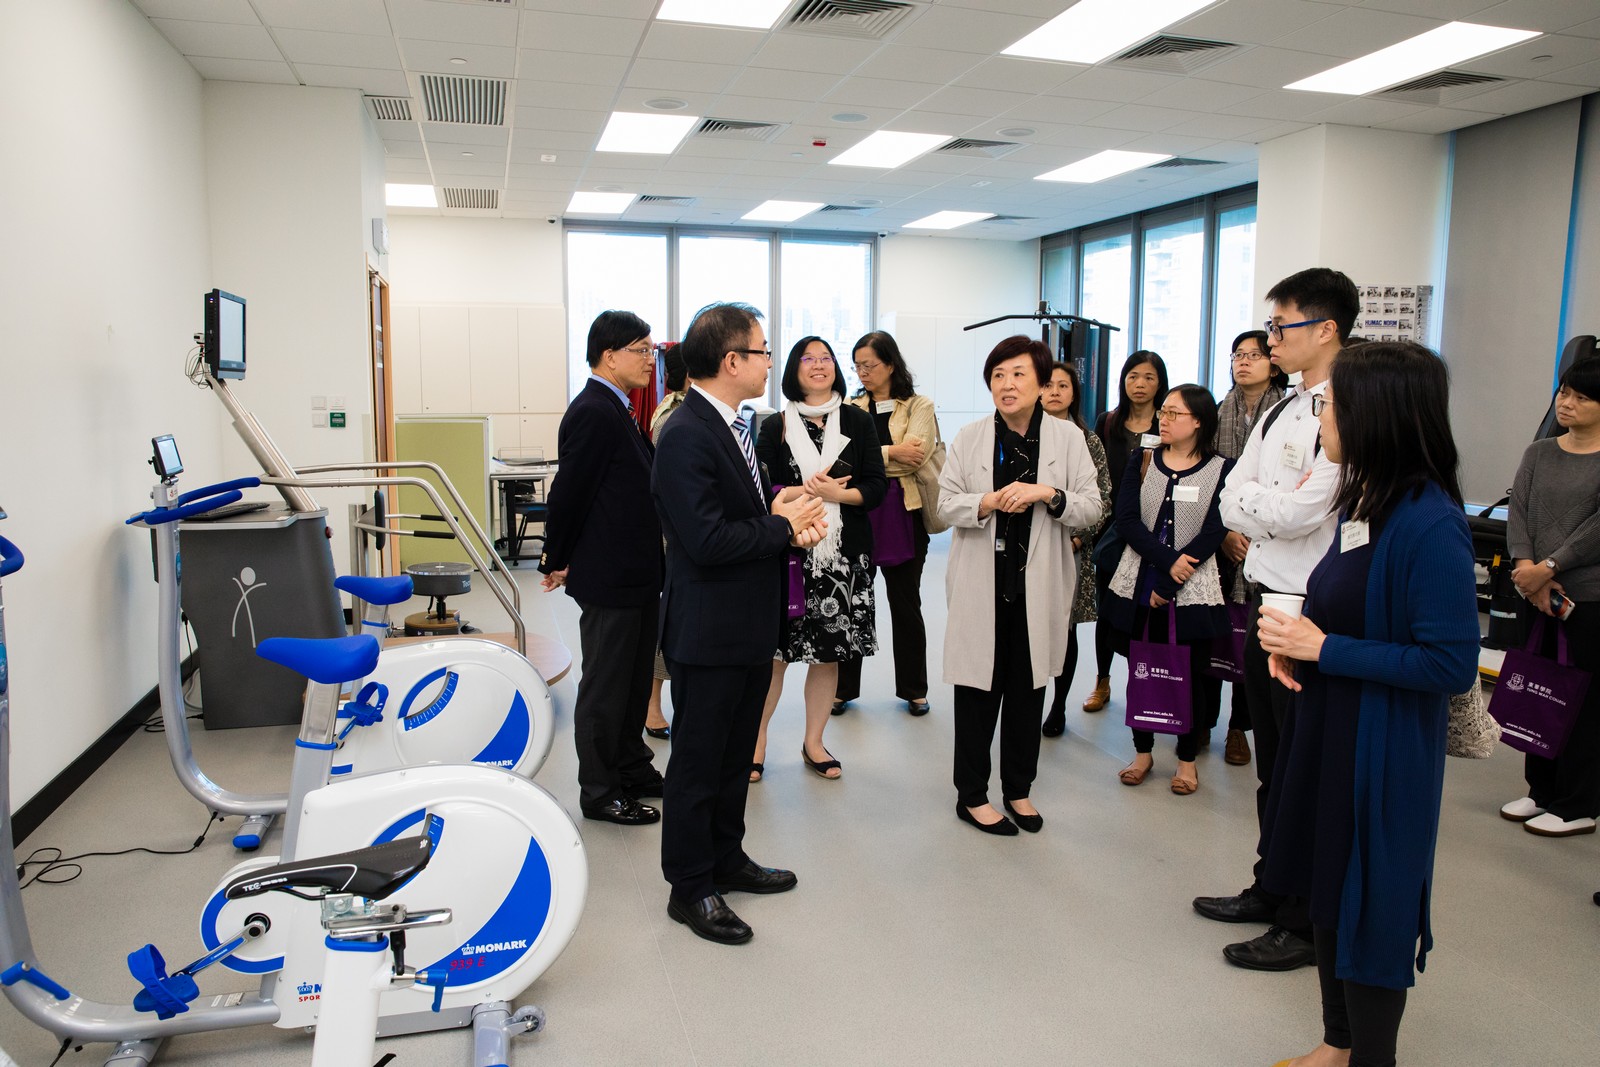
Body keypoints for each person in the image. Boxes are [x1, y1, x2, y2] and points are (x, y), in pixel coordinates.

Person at [1255, 341, 1479, 1067]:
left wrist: (1327, 650)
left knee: (1372, 908)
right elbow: (1348, 608)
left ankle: (1370, 1055)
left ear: (1375, 414)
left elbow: (1448, 662)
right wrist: (1295, 643)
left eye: (1333, 404)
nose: (1322, 416)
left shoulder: (1430, 520)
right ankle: (1336, 1042)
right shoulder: (1369, 499)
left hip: (1378, 749)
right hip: (1331, 727)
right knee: (1328, 889)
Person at [1194, 267, 1359, 973]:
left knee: (1307, 772)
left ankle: (1302, 920)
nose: (1268, 340)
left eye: (1280, 327)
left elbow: (1303, 510)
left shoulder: (1353, 407)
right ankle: (1273, 883)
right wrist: (1265, 507)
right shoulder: (1281, 406)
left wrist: (1264, 508)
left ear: (1324, 329)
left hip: (1312, 612)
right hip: (1264, 598)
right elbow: (1232, 495)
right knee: (1274, 764)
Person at [651, 302, 828, 945]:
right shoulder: (685, 433)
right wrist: (784, 528)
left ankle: (727, 856)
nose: (769, 362)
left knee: (732, 759)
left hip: (746, 624)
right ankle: (691, 886)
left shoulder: (735, 425)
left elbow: (735, 509)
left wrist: (777, 505)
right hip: (708, 630)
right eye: (762, 351)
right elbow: (704, 539)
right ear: (732, 361)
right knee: (699, 764)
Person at [939, 336, 1102, 835]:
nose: (1007, 385)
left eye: (1018, 375)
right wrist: (984, 502)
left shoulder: (1069, 440)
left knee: (1028, 692)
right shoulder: (969, 438)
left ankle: (1018, 789)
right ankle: (971, 795)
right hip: (982, 586)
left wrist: (1049, 494)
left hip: (1038, 588)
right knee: (977, 692)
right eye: (997, 376)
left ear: (1041, 383)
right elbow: (943, 507)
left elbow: (1093, 508)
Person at [538, 310, 666, 827]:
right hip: (611, 575)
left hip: (635, 571)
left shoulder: (620, 409)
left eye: (651, 350)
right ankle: (599, 789)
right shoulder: (593, 410)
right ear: (609, 356)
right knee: (607, 685)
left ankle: (631, 766)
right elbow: (570, 494)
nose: (649, 359)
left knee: (636, 681)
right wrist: (555, 555)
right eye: (641, 350)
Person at [752, 337, 886, 781]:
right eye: (808, 359)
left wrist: (836, 494)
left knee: (827, 654)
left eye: (826, 358)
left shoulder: (857, 421)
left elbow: (875, 486)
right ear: (793, 369)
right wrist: (804, 491)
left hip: (843, 559)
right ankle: (756, 741)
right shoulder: (774, 426)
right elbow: (762, 490)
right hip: (788, 552)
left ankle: (814, 742)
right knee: (775, 654)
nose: (818, 365)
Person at [1103, 384, 1233, 794]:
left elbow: (1215, 529)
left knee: (1189, 671)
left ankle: (1187, 760)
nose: (1164, 418)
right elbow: (1126, 519)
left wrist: (1175, 575)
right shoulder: (1143, 460)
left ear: (1199, 420)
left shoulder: (1222, 469)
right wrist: (1164, 564)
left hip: (1192, 585)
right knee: (1142, 665)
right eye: (1164, 411)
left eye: (1175, 413)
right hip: (1142, 579)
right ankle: (1142, 752)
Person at [1502, 355, 1600, 837]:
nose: (1568, 403)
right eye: (1565, 392)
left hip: (1587, 596)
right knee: (1535, 687)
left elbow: (1595, 531)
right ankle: (1540, 790)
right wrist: (1526, 568)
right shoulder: (1539, 452)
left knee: (1584, 700)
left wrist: (1549, 568)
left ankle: (1578, 803)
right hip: (1535, 592)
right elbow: (1518, 511)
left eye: (1583, 397)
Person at [834, 330, 939, 718]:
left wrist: (874, 457)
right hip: (859, 513)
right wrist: (892, 452)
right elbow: (844, 458)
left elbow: (917, 456)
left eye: (870, 365)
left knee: (906, 604)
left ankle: (915, 689)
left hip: (904, 514)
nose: (862, 372)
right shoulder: (849, 406)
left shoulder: (918, 406)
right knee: (853, 602)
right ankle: (842, 689)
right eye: (857, 365)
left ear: (890, 364)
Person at [1210, 330, 1288, 766]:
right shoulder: (1220, 409)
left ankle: (1239, 726)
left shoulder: (1287, 411)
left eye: (1254, 355)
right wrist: (1225, 531)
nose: (1243, 362)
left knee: (1250, 635)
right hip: (1220, 532)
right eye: (1237, 355)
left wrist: (1251, 529)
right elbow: (1213, 478)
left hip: (1268, 535)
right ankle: (1202, 721)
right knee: (1215, 626)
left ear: (1272, 364)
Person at [1085, 351, 1169, 713]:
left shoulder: (1168, 424)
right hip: (1111, 531)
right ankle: (1102, 681)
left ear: (1160, 383)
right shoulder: (1108, 422)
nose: (1140, 384)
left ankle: (1143, 682)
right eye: (1133, 376)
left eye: (1149, 377)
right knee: (1107, 609)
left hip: (1152, 530)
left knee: (1144, 611)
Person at [1040, 360, 1112, 737]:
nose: (1054, 392)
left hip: (1072, 550)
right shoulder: (1026, 434)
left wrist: (1080, 539)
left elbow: (1103, 498)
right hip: (1029, 552)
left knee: (1064, 631)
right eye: (1047, 385)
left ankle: (1058, 705)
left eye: (1062, 386)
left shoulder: (1088, 440)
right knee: (1029, 625)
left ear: (1074, 393)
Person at [644, 341, 689, 741]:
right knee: (667, 617)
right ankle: (652, 704)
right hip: (672, 533)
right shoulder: (674, 415)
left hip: (678, 531)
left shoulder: (674, 409)